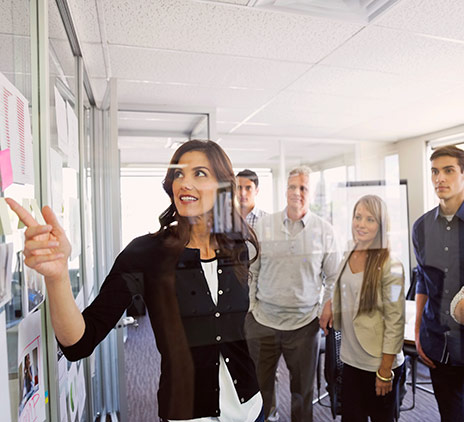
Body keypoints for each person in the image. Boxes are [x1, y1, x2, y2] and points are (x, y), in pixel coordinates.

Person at [6, 140, 265, 422]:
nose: (185, 183)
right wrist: (57, 277)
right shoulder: (147, 253)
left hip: (249, 409)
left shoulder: (234, 245)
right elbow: (78, 342)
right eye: (179, 174)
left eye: (199, 173)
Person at [245, 166, 339, 422]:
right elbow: (252, 269)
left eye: (303, 187)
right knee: (259, 391)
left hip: (303, 326)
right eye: (292, 186)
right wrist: (252, 306)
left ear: (311, 193)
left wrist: (324, 309)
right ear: (285, 189)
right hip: (263, 321)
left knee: (301, 393)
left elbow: (332, 278)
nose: (296, 192)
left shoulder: (324, 231)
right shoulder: (264, 225)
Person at [321, 195, 405, 422]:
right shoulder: (350, 250)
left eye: (370, 219)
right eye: (358, 217)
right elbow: (343, 286)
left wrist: (385, 372)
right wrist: (330, 304)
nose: (361, 224)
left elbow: (395, 322)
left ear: (381, 225)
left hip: (378, 362)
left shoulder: (391, 264)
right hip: (350, 358)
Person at [412, 145, 464, 421]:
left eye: (448, 171)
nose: (439, 178)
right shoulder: (420, 227)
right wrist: (419, 329)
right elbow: (423, 280)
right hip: (437, 342)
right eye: (434, 171)